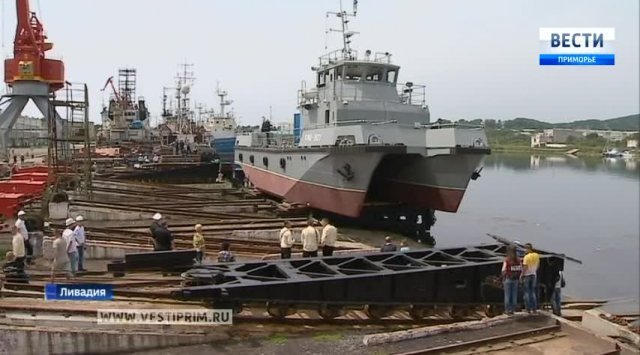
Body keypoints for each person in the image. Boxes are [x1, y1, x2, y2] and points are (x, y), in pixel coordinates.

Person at [521, 243, 540, 314]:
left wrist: (521, 275)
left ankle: (528, 309)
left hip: (527, 275)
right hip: (534, 275)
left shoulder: (526, 257)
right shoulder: (536, 255)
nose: (524, 250)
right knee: (532, 292)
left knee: (526, 292)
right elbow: (538, 265)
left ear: (528, 249)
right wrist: (534, 271)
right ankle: (534, 309)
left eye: (525, 249)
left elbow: (525, 267)